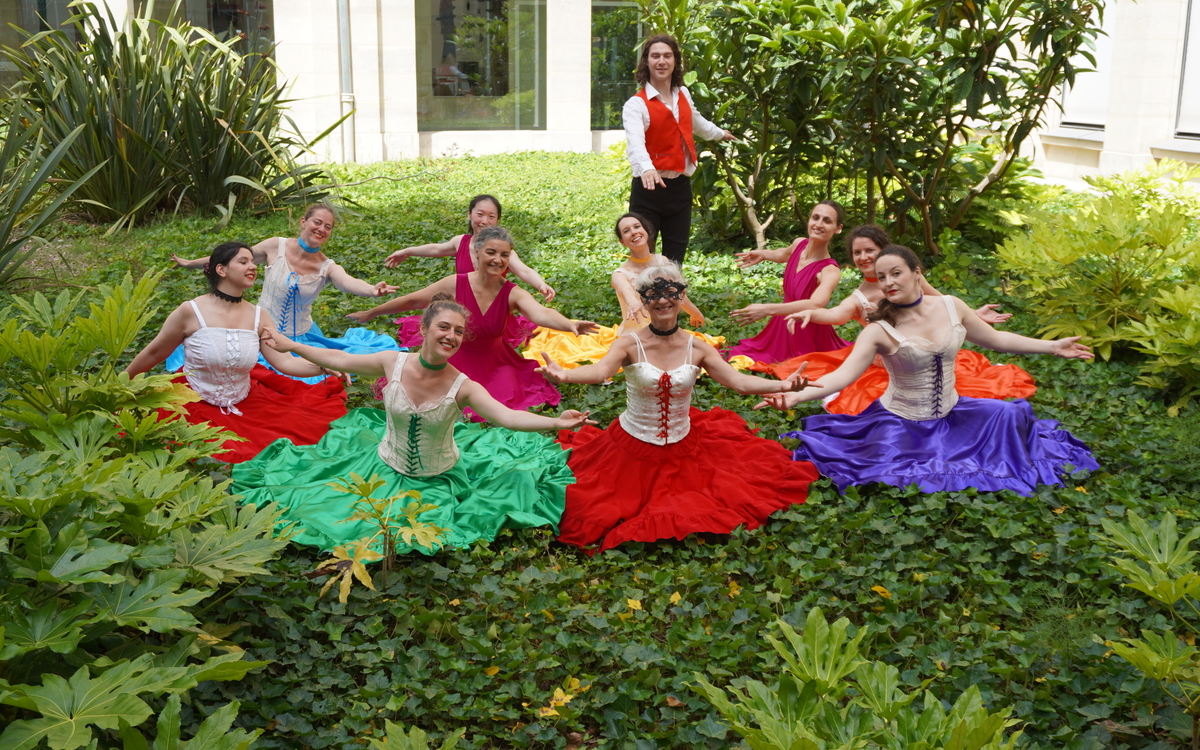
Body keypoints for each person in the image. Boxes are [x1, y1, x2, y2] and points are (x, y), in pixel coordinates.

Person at [232, 295, 595, 555]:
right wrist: (285, 343)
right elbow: (336, 356)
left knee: (413, 532)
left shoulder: (464, 387)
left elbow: (507, 416)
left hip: (436, 477)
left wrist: (555, 422)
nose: (450, 336)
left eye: (457, 331)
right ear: (424, 328)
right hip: (382, 464)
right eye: (443, 327)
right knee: (330, 510)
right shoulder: (392, 362)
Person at [756, 245, 1098, 496]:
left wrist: (1052, 346)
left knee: (1012, 416)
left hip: (954, 410)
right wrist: (796, 394)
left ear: (917, 273)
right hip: (903, 421)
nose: (888, 282)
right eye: (882, 276)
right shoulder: (879, 328)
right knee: (895, 467)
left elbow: (994, 339)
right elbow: (842, 377)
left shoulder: (951, 306)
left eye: (896, 273)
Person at [536, 263, 821, 554]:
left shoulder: (697, 348)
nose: (662, 300)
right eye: (653, 294)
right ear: (644, 301)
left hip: (684, 443)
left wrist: (784, 387)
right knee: (595, 502)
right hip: (630, 446)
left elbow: (737, 381)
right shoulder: (628, 344)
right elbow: (599, 372)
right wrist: (567, 375)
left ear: (682, 297)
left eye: (670, 292)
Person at [763, 224, 1033, 414]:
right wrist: (811, 312)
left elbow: (939, 304)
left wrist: (973, 316)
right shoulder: (859, 296)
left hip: (925, 355)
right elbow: (836, 315)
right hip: (886, 365)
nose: (864, 257)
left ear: (884, 250)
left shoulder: (909, 278)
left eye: (869, 250)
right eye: (857, 253)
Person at [125, 242, 348, 463]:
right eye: (243, 262)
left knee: (294, 434)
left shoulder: (259, 315)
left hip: (246, 399)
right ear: (221, 269)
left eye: (253, 261)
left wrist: (323, 366)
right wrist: (121, 382)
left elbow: (285, 362)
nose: (253, 267)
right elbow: (155, 353)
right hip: (194, 401)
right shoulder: (190, 311)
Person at [349, 226, 598, 417]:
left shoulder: (512, 292)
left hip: (496, 363)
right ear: (477, 252)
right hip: (455, 359)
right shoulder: (456, 283)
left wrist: (570, 324)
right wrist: (370, 313)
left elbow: (540, 313)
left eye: (504, 255)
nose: (497, 260)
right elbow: (412, 301)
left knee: (504, 399)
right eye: (491, 252)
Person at [169, 203, 401, 383]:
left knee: (320, 367)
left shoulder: (327, 266)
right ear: (303, 221)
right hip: (259, 330)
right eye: (317, 222)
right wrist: (189, 263)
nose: (321, 229)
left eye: (327, 227)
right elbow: (229, 259)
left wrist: (372, 290)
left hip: (300, 335)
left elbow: (348, 282)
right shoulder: (275, 246)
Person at [521, 212, 737, 370]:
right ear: (622, 242)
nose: (634, 232)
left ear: (645, 230)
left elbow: (677, 294)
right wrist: (634, 303)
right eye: (627, 231)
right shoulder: (620, 273)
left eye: (637, 227)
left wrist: (695, 313)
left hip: (663, 326)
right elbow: (625, 289)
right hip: (637, 335)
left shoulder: (661, 261)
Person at [383, 194, 550, 349]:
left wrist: (541, 284)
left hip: (491, 316)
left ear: (497, 220)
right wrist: (408, 251)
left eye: (491, 216)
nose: (485, 221)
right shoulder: (460, 242)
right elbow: (436, 249)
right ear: (469, 215)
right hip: (462, 312)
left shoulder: (503, 251)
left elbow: (524, 270)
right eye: (480, 214)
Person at [624, 34, 736, 265]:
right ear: (646, 61)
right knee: (644, 257)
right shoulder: (636, 104)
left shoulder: (682, 93)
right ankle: (642, 300)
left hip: (679, 188)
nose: (661, 61)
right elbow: (635, 143)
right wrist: (646, 168)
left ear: (675, 61)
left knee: (675, 257)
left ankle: (672, 299)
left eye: (667, 55)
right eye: (655, 56)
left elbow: (695, 121)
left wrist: (719, 133)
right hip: (649, 191)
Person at [726, 200, 850, 363]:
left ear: (838, 228)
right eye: (815, 217)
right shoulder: (799, 244)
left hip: (807, 331)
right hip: (780, 325)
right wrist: (763, 254)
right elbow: (783, 254)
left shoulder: (829, 271)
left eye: (827, 221)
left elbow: (815, 304)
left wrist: (767, 309)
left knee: (797, 367)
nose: (819, 224)